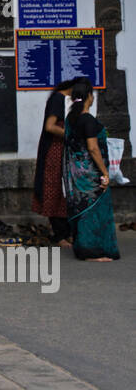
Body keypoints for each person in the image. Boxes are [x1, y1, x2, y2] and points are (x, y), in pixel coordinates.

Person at [62, 79, 120, 261]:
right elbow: (93, 148)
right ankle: (91, 252)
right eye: (92, 94)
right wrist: (104, 172)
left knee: (83, 209)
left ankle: (84, 248)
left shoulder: (71, 119)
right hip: (91, 174)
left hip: (77, 174)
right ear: (88, 96)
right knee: (93, 211)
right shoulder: (87, 120)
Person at [31, 78, 76, 244]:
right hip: (54, 151)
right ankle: (59, 234)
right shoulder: (58, 99)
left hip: (61, 151)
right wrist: (73, 135)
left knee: (63, 193)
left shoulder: (61, 99)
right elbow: (50, 126)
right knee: (54, 190)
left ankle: (65, 232)